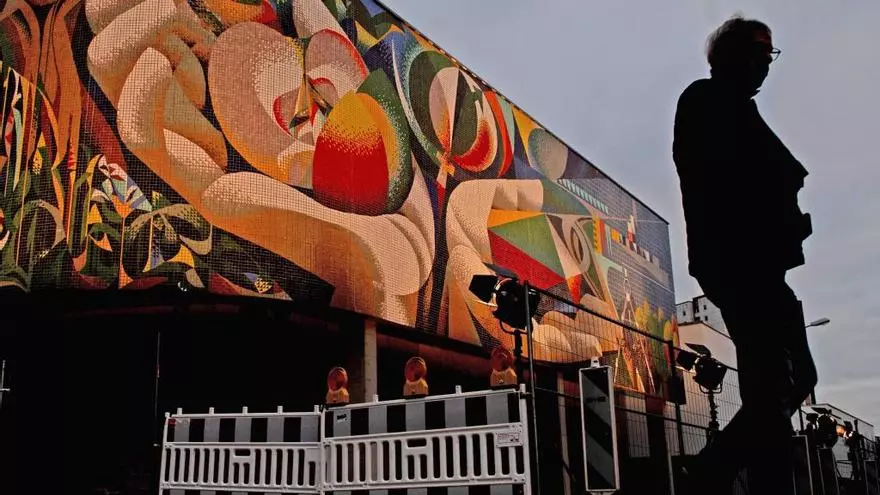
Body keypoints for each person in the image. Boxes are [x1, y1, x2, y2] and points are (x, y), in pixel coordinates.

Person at [672, 15, 818, 495]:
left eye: (769, 54)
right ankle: (718, 473)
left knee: (793, 379)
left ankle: (711, 470)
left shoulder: (733, 107)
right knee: (773, 384)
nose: (766, 64)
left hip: (759, 265)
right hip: (739, 263)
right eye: (758, 52)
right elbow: (728, 179)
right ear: (731, 55)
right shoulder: (706, 100)